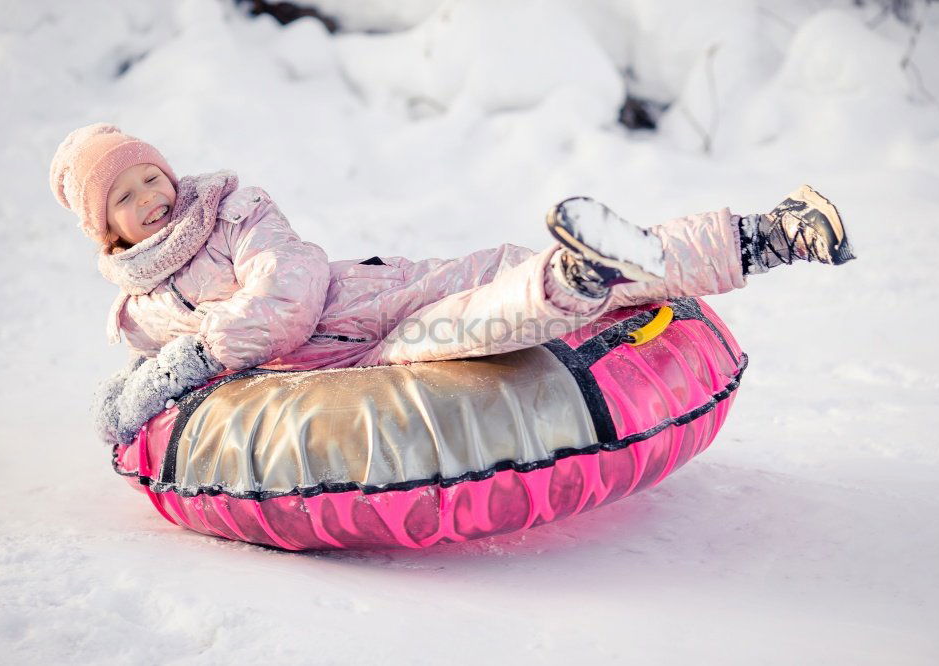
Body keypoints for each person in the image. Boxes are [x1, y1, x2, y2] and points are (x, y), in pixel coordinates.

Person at [50, 123, 855, 447]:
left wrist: (196, 355)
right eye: (127, 195)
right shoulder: (142, 312)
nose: (153, 196)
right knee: (486, 321)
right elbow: (159, 397)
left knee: (498, 286)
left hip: (380, 304)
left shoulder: (237, 211)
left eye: (151, 175)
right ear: (108, 229)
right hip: (366, 371)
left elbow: (287, 301)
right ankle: (577, 276)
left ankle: (766, 235)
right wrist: (162, 376)